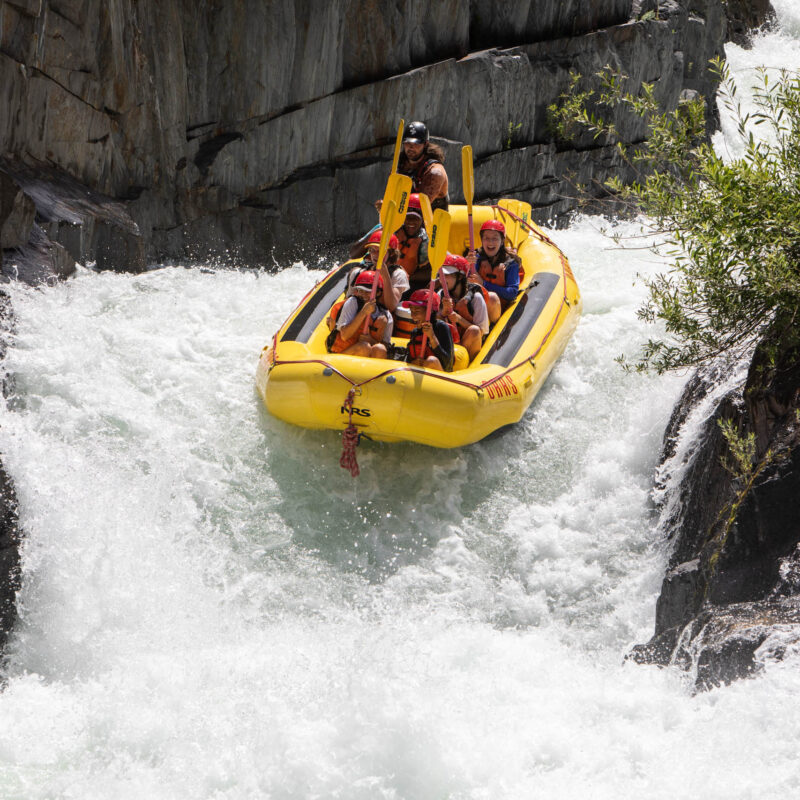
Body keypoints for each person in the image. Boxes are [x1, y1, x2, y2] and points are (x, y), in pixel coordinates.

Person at [327, 271, 393, 358]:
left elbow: (387, 347)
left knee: (379, 349)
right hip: (343, 355)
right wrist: (363, 313)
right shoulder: (352, 303)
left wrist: (371, 341)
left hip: (366, 356)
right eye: (361, 291)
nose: (363, 295)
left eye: (368, 291)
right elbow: (344, 336)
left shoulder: (385, 314)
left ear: (378, 293)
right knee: (364, 347)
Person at [437, 255, 490, 361]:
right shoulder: (441, 294)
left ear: (460, 277)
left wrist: (459, 320)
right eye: (441, 275)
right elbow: (435, 324)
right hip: (449, 342)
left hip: (468, 344)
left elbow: (481, 332)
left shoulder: (476, 298)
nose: (442, 279)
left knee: (474, 330)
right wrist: (443, 313)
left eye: (447, 275)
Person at [466, 220, 519, 322]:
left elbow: (512, 293)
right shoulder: (475, 258)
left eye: (495, 238)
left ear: (502, 241)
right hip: (478, 305)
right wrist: (466, 266)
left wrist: (484, 284)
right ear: (482, 240)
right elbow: (467, 284)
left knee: (492, 298)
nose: (490, 242)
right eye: (486, 238)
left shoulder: (511, 263)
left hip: (497, 308)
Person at [345, 229, 408, 312]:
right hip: (358, 320)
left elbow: (391, 307)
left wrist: (385, 276)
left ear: (392, 253)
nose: (375, 254)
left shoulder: (398, 274)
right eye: (372, 250)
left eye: (380, 251)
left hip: (381, 321)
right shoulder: (357, 273)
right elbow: (347, 305)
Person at [397, 121, 449, 211]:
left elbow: (421, 206)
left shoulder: (435, 172)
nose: (411, 147)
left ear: (425, 144)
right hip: (404, 213)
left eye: (416, 144)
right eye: (407, 143)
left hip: (431, 219)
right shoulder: (401, 165)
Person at [401, 289, 454, 372]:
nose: (413, 315)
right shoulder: (415, 332)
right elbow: (407, 359)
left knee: (431, 361)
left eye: (417, 311)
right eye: (411, 311)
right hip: (421, 378)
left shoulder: (441, 327)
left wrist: (432, 337)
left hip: (442, 379)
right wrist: (414, 362)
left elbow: (448, 364)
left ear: (431, 311)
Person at [395, 193, 431, 293]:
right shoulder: (393, 231)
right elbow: (354, 253)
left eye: (415, 218)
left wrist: (405, 278)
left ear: (423, 219)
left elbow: (431, 272)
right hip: (389, 279)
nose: (411, 222)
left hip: (412, 283)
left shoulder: (426, 239)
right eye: (408, 217)